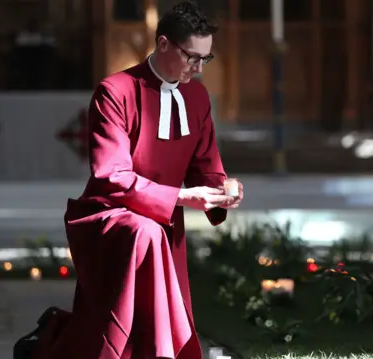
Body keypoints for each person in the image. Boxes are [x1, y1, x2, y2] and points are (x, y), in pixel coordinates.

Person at [19, 2, 243, 358]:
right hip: (110, 216)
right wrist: (183, 198)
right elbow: (112, 176)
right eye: (192, 57)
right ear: (165, 44)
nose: (199, 69)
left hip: (162, 218)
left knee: (151, 235)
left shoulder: (197, 97)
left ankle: (59, 336)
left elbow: (206, 165)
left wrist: (223, 190)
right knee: (146, 233)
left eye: (206, 59)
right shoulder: (115, 91)